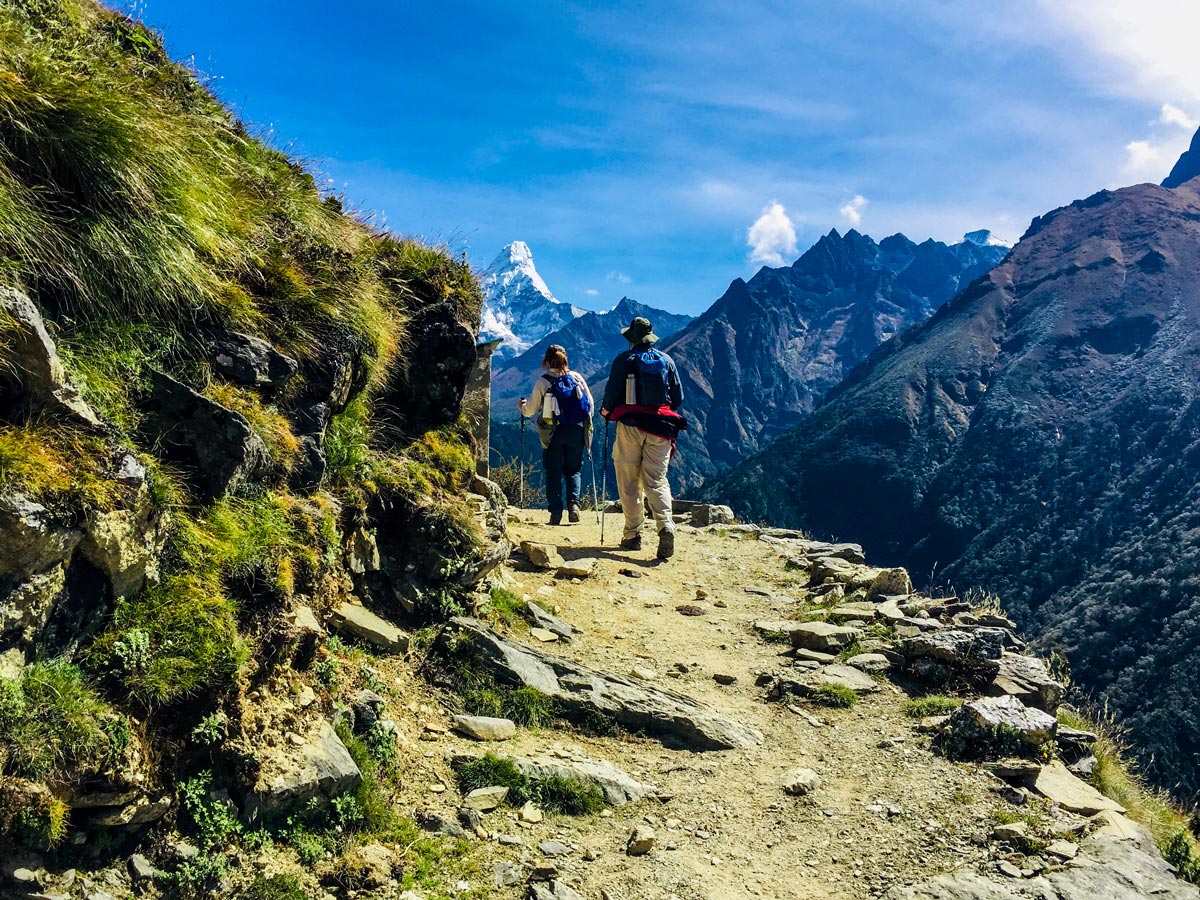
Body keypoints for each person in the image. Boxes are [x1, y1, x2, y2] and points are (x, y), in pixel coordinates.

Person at [599, 316, 686, 560]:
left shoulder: (624, 360)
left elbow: (611, 393)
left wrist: (606, 411)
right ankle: (665, 525)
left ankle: (632, 535)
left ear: (631, 339)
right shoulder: (666, 360)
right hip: (661, 428)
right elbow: (677, 397)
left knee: (629, 481)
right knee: (656, 480)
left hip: (630, 425)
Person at [518, 344, 595, 525]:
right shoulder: (576, 378)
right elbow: (589, 405)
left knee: (553, 471)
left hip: (553, 433)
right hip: (576, 431)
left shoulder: (543, 382)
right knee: (573, 469)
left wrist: (521, 407)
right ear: (565, 359)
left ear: (546, 360)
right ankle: (574, 506)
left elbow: (530, 410)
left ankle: (556, 513)